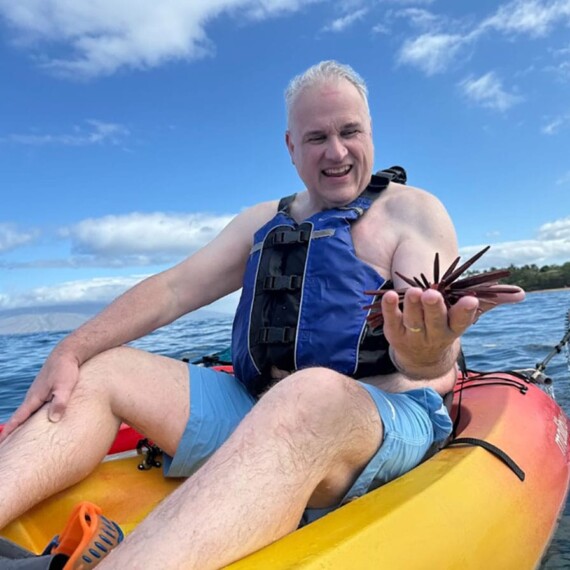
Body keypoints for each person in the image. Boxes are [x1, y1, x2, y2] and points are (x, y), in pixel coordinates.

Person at [0, 61, 524, 569]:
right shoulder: (262, 221)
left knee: (309, 392)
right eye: (317, 137)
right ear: (291, 147)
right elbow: (172, 289)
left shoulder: (412, 211)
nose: (337, 151)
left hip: (384, 412)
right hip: (256, 406)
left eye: (350, 131)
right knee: (102, 368)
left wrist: (423, 346)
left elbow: (427, 357)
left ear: (371, 133)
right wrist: (70, 348)